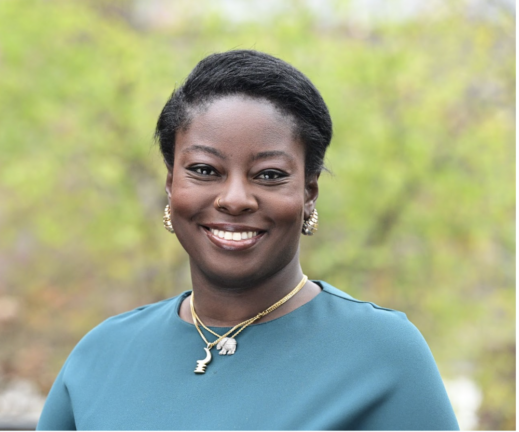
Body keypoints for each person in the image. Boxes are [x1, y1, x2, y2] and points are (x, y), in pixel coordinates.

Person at [37, 50, 459, 430]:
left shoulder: (382, 354)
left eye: (269, 175)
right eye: (204, 170)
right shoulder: (102, 355)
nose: (235, 199)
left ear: (309, 193)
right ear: (170, 184)